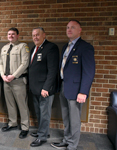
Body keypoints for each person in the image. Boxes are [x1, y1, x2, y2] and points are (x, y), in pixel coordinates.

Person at [51, 20, 95, 150]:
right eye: (67, 27)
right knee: (66, 117)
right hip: (65, 86)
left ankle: (72, 146)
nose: (69, 30)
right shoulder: (66, 47)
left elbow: (89, 71)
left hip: (76, 90)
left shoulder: (85, 47)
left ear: (80, 30)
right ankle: (67, 139)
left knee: (74, 120)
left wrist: (84, 91)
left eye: (73, 27)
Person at [28, 27, 59, 147]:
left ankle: (42, 137)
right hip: (35, 88)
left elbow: (52, 71)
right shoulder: (34, 48)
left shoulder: (51, 48)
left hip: (45, 89)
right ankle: (43, 132)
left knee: (44, 113)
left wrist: (46, 87)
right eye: (33, 35)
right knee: (39, 112)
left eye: (37, 35)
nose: (35, 37)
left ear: (44, 35)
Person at [0, 27, 30, 139]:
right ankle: (12, 123)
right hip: (6, 81)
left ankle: (25, 127)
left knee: (22, 105)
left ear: (17, 35)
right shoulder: (4, 48)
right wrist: (3, 75)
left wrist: (13, 76)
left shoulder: (23, 46)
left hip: (18, 81)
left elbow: (24, 63)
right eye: (9, 34)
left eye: (13, 34)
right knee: (10, 103)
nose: (11, 36)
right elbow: (1, 64)